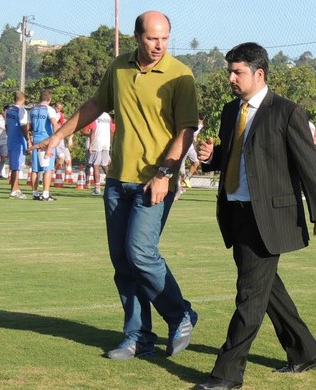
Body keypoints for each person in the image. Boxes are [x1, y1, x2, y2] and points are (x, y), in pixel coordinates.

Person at [31, 10, 198, 360]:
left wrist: (164, 175)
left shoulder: (181, 75)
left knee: (140, 253)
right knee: (123, 262)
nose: (159, 45)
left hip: (155, 181)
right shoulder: (118, 67)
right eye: (153, 38)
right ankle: (138, 338)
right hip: (117, 180)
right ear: (137, 37)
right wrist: (58, 135)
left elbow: (186, 131)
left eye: (165, 38)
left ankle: (180, 312)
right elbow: (94, 105)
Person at [195, 42, 316, 390]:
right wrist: (212, 156)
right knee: (265, 288)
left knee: (249, 295)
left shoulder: (287, 113)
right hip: (236, 213)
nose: (231, 77)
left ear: (259, 74)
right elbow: (234, 157)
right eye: (230, 70)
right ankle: (306, 351)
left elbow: (309, 166)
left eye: (237, 71)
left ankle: (226, 373)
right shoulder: (232, 112)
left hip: (269, 218)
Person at [29, 89, 59, 201]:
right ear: (50, 99)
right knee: (48, 168)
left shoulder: (32, 110)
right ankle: (45, 194)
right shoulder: (49, 109)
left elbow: (29, 127)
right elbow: (54, 124)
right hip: (46, 140)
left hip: (35, 140)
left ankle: (35, 193)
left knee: (35, 169)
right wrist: (57, 137)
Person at [6, 91, 30, 200]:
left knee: (14, 166)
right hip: (18, 141)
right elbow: (23, 126)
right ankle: (14, 190)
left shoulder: (9, 110)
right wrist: (28, 140)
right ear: (23, 99)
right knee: (16, 167)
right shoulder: (21, 110)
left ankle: (15, 188)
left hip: (10, 140)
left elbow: (6, 126)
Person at [86, 111, 113, 195]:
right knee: (105, 164)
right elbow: (111, 130)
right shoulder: (108, 116)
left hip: (97, 142)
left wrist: (91, 144)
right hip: (106, 142)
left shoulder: (95, 114)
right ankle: (111, 184)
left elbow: (93, 130)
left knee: (95, 165)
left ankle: (97, 188)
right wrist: (111, 142)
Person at [53, 102, 74, 174]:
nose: (58, 110)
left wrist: (70, 139)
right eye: (57, 108)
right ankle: (56, 174)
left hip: (62, 143)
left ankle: (68, 177)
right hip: (56, 142)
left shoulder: (62, 119)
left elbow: (71, 129)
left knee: (68, 159)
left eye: (60, 109)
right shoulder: (52, 116)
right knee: (61, 157)